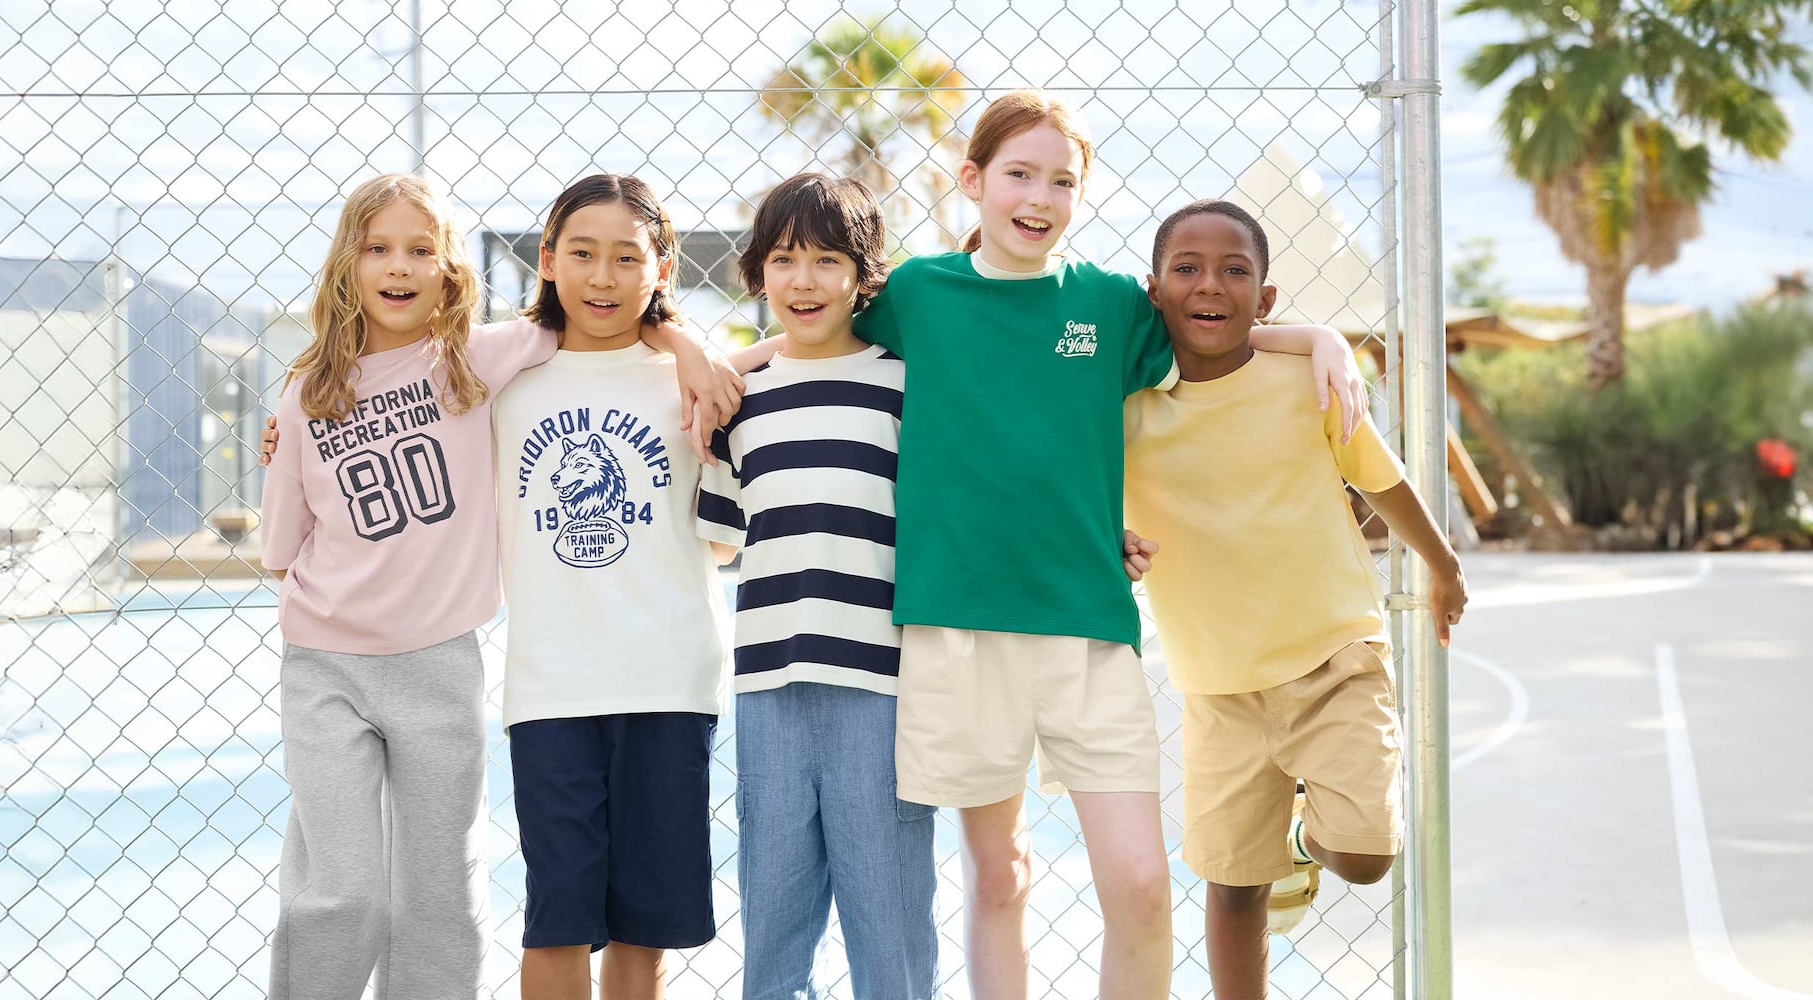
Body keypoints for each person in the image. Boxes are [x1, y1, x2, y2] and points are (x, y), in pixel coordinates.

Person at [723, 90, 1369, 1000]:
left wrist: (1320, 336)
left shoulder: (1108, 304)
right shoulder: (916, 293)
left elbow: (1215, 337)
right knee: (999, 877)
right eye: (1019, 174)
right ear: (974, 180)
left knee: (1142, 887)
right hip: (959, 633)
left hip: (1087, 629)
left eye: (1060, 180)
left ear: (1080, 194)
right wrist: (712, 363)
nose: (1039, 196)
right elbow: (811, 336)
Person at [1122, 199, 1468, 999]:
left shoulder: (1307, 381)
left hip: (1334, 655)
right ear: (1153, 290)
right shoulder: (1126, 407)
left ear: (1266, 300)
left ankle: (1306, 845)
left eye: (1235, 271)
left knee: (1365, 858)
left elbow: (1379, 478)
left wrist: (1444, 564)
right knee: (1233, 879)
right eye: (1188, 269)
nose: (1211, 285)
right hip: (1218, 686)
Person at [258, 172, 555, 999]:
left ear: (452, 268)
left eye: (420, 249)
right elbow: (283, 550)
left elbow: (595, 327)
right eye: (378, 247)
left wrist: (698, 355)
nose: (399, 266)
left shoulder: (477, 360)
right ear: (347, 267)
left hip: (441, 667)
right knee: (343, 885)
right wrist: (280, 447)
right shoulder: (307, 394)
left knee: (439, 891)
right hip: (326, 669)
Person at [697, 173, 938, 999]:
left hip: (883, 686)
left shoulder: (906, 387)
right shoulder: (737, 405)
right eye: (785, 259)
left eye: (828, 260)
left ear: (864, 275)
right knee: (774, 916)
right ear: (758, 269)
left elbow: (960, 520)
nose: (804, 281)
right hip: (769, 689)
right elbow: (721, 543)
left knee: (891, 916)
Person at [492, 174, 729, 1000]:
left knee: (643, 925)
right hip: (550, 689)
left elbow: (729, 534)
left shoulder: (693, 383)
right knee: (556, 918)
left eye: (626, 258)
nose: (602, 278)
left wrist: (688, 348)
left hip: (668, 680)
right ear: (548, 260)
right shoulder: (503, 378)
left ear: (660, 270)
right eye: (582, 254)